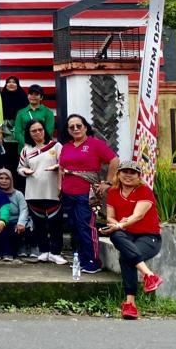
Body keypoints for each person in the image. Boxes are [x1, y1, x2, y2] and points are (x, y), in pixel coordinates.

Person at [99, 160, 164, 320]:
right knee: (115, 235)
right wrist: (116, 225)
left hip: (149, 236)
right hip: (127, 235)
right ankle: (149, 275)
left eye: (132, 172)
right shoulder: (114, 192)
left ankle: (130, 304)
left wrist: (120, 225)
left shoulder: (144, 190)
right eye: (125, 172)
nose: (128, 175)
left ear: (138, 176)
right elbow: (110, 217)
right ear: (118, 174)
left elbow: (138, 215)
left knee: (126, 257)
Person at [59, 113, 119, 274]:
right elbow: (61, 168)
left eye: (79, 126)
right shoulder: (66, 147)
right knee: (74, 227)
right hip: (68, 193)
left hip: (87, 194)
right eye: (71, 127)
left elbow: (114, 160)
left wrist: (108, 182)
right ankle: (82, 259)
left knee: (85, 225)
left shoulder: (95, 144)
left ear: (85, 127)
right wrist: (59, 187)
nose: (75, 129)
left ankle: (93, 261)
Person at [18, 119, 66, 264]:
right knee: (39, 224)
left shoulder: (56, 146)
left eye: (40, 129)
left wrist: (57, 166)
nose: (38, 133)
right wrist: (25, 171)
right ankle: (44, 251)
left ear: (45, 130)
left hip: (53, 191)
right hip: (33, 192)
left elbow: (64, 164)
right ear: (29, 133)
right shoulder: (26, 149)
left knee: (55, 224)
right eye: (34, 131)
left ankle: (56, 252)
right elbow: (20, 167)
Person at [0, 75, 28, 190]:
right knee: (8, 161)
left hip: (20, 134)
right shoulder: (1, 97)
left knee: (20, 160)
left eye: (14, 82)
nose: (11, 84)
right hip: (5, 134)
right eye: (9, 82)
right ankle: (8, 187)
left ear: (18, 84)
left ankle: (21, 188)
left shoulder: (23, 97)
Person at [0, 168, 29, 260]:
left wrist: (21, 223)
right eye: (1, 178)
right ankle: (4, 252)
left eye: (7, 178)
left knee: (16, 229)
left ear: (11, 180)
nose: (4, 181)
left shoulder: (18, 194)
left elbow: (24, 209)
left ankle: (20, 249)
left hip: (16, 221)